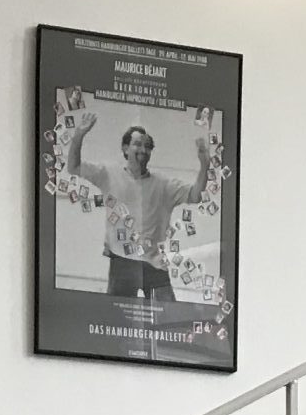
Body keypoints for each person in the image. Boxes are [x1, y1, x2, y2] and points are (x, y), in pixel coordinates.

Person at [63, 103, 215, 303]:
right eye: (137, 144)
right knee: (116, 314)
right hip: (121, 261)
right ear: (125, 149)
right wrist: (79, 136)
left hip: (154, 262)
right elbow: (73, 167)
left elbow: (195, 195)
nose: (143, 149)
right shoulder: (108, 173)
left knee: (168, 314)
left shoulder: (164, 184)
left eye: (147, 146)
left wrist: (205, 165)